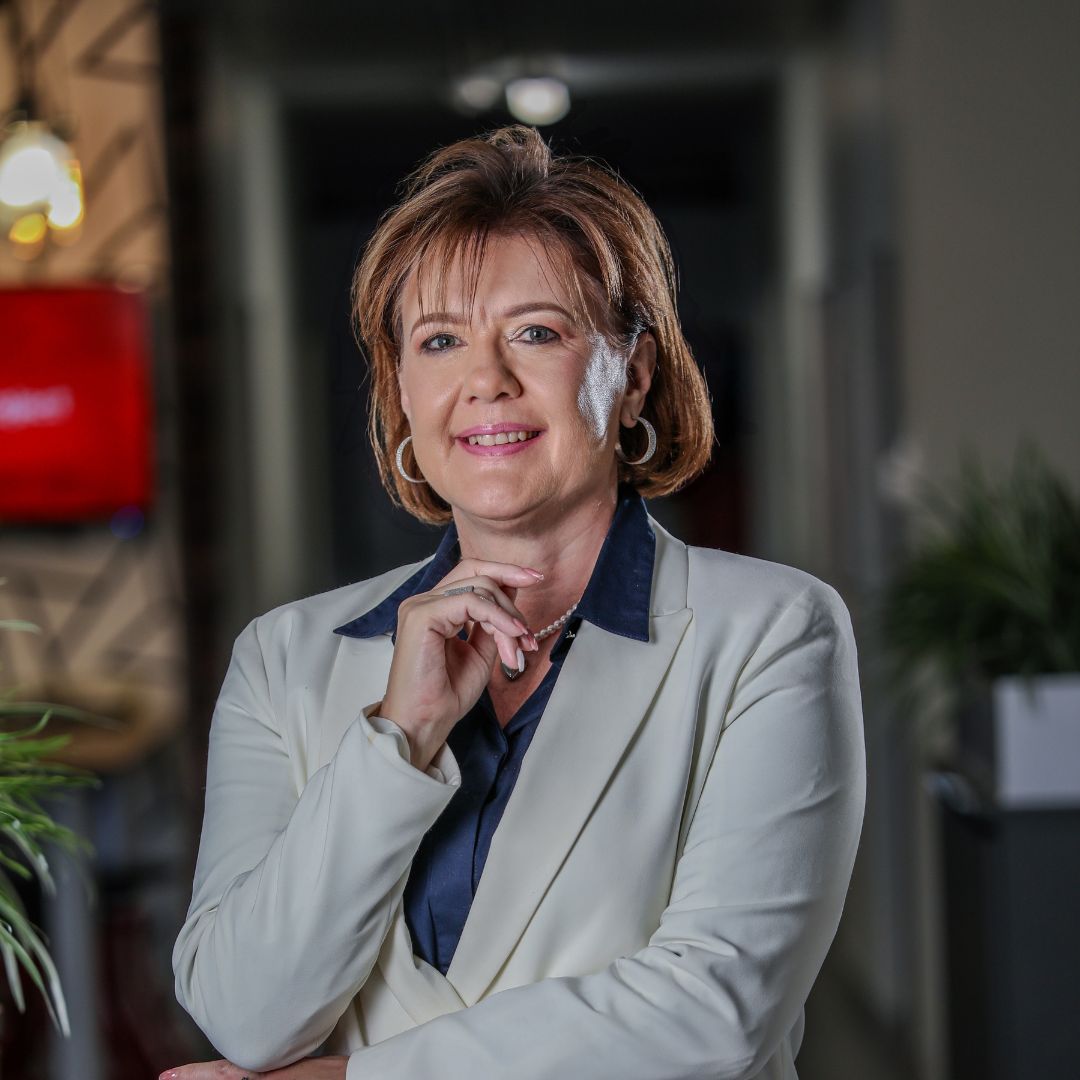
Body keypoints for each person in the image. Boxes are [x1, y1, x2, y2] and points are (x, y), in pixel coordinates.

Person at [164, 125, 866, 1080]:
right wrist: (398, 736)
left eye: (537, 333)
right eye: (440, 341)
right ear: (401, 390)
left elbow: (717, 1010)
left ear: (633, 377)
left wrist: (358, 1079)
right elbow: (245, 1017)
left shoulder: (772, 633)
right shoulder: (282, 659)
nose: (485, 380)